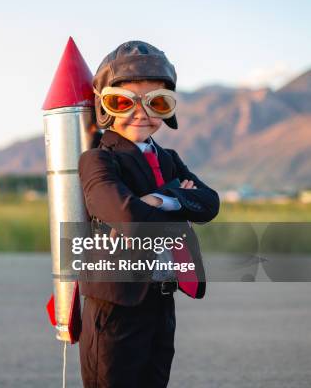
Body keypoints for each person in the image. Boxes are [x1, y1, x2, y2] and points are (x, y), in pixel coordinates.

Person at [77, 41, 220, 388]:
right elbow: (127, 218)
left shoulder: (169, 158)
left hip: (161, 298)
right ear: (104, 105)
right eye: (123, 101)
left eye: (156, 101)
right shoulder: (98, 160)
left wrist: (158, 200)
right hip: (116, 305)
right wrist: (179, 206)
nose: (140, 112)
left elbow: (210, 203)